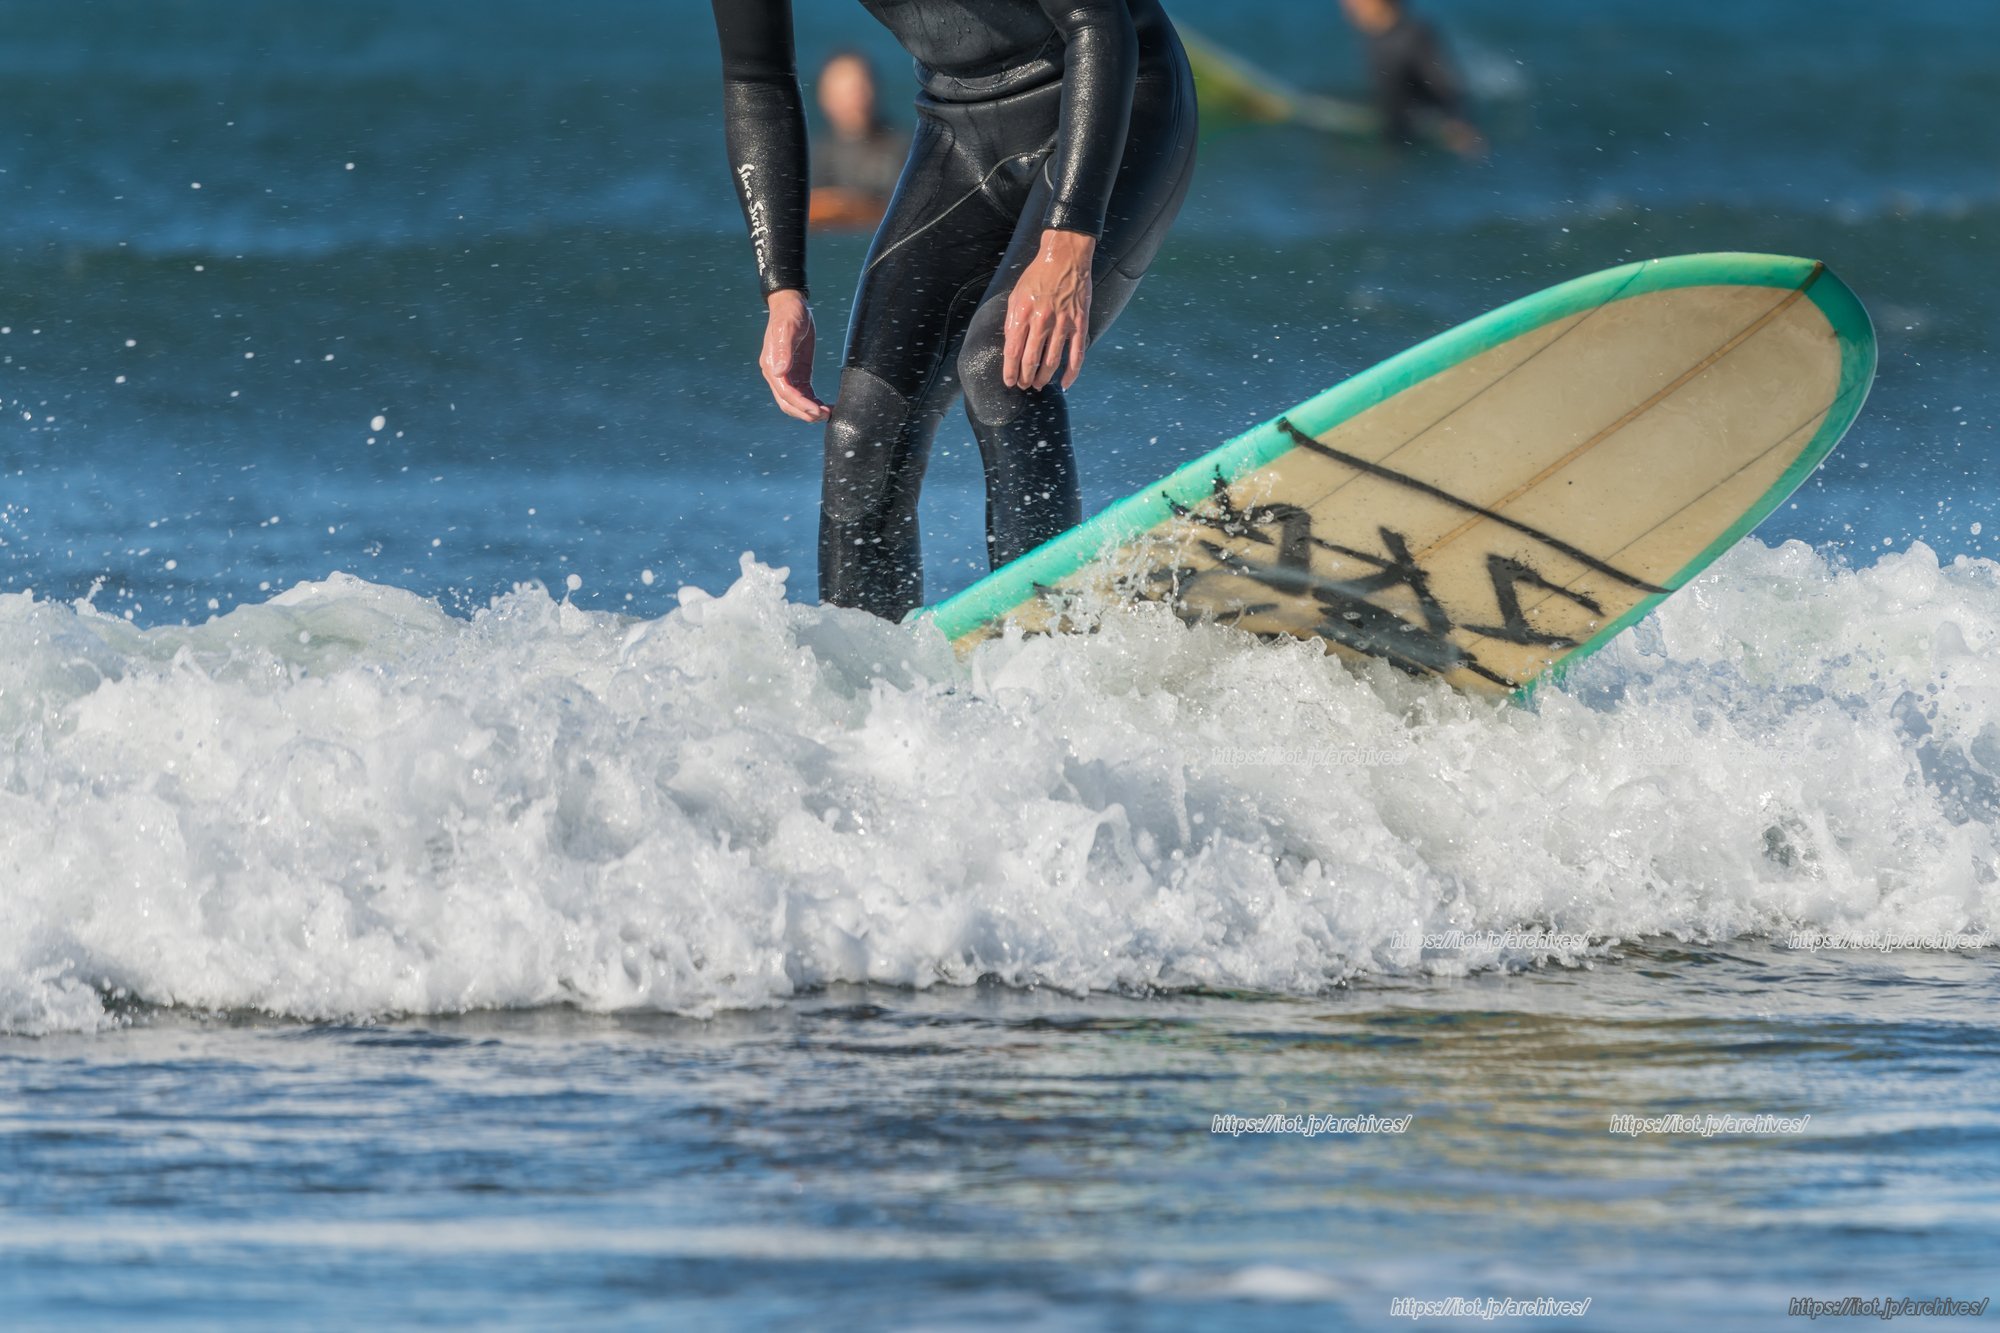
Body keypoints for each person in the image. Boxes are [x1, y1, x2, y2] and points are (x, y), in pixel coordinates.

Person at [710, 0, 1198, 622]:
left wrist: (1069, 239)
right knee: (863, 430)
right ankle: (867, 667)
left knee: (1003, 363)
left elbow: (1095, 19)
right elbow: (756, 77)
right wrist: (783, 290)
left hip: (1118, 99)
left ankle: (1049, 642)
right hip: (959, 127)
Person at [1339, 0, 1484, 158]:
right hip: (1393, 120)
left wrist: (1458, 122)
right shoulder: (1375, 34)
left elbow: (1441, 83)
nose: (1347, 6)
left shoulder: (1412, 36)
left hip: (1415, 125)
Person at [808, 50, 907, 230]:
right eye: (844, 92)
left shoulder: (902, 147)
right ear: (825, 98)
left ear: (875, 89)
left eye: (860, 89)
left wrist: (845, 206)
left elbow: (906, 210)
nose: (855, 99)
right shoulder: (814, 153)